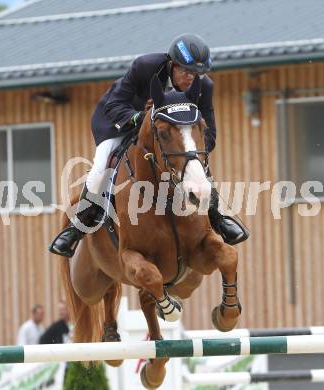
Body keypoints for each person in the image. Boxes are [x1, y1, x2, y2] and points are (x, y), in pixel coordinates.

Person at [49, 33, 249, 258]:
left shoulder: (204, 87)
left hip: (168, 137)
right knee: (99, 169)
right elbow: (115, 104)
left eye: (197, 74)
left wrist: (194, 150)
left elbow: (209, 131)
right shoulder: (145, 67)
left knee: (196, 169)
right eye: (186, 72)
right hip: (119, 121)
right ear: (172, 64)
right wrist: (138, 119)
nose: (191, 79)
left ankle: (218, 218)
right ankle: (78, 227)